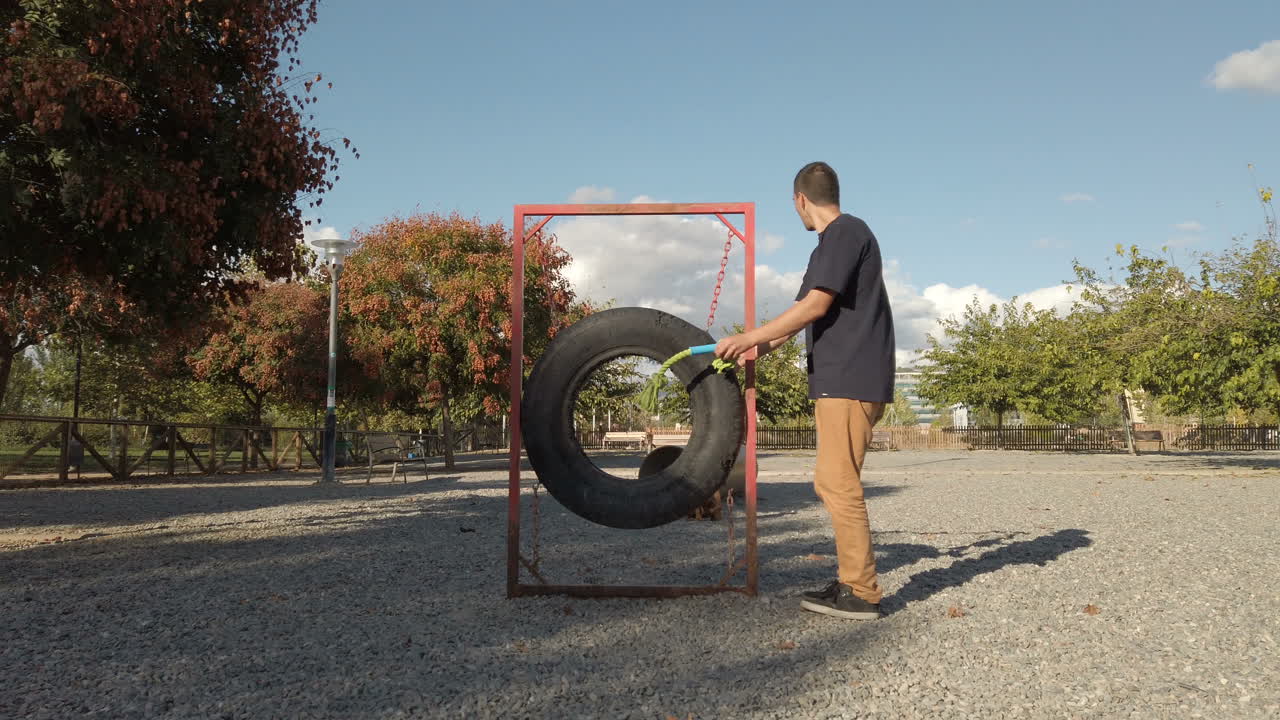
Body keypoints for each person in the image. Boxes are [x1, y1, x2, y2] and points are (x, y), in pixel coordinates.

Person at [714, 161, 896, 620]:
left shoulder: (845, 233)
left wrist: (751, 335)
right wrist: (751, 350)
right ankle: (852, 581)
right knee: (833, 480)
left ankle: (862, 592)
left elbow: (816, 305)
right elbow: (799, 314)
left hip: (850, 377)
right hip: (842, 379)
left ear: (800, 199)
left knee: (838, 482)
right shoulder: (830, 245)